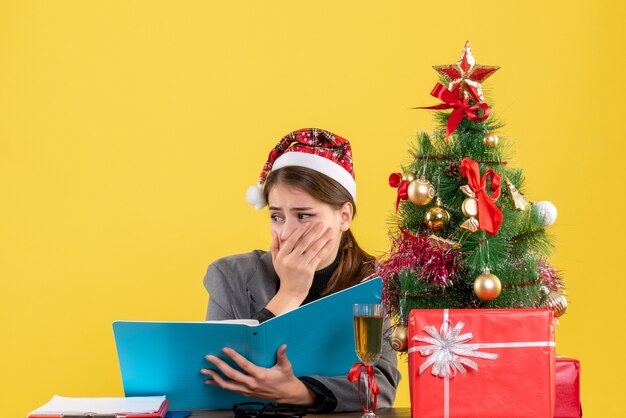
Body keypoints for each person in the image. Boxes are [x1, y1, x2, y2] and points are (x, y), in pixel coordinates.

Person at [200, 128, 400, 412]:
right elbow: (217, 375)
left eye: (304, 215)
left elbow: (382, 385)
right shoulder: (229, 276)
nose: (286, 232)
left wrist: (304, 392)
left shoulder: (376, 281)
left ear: (344, 216)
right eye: (277, 216)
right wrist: (289, 293)